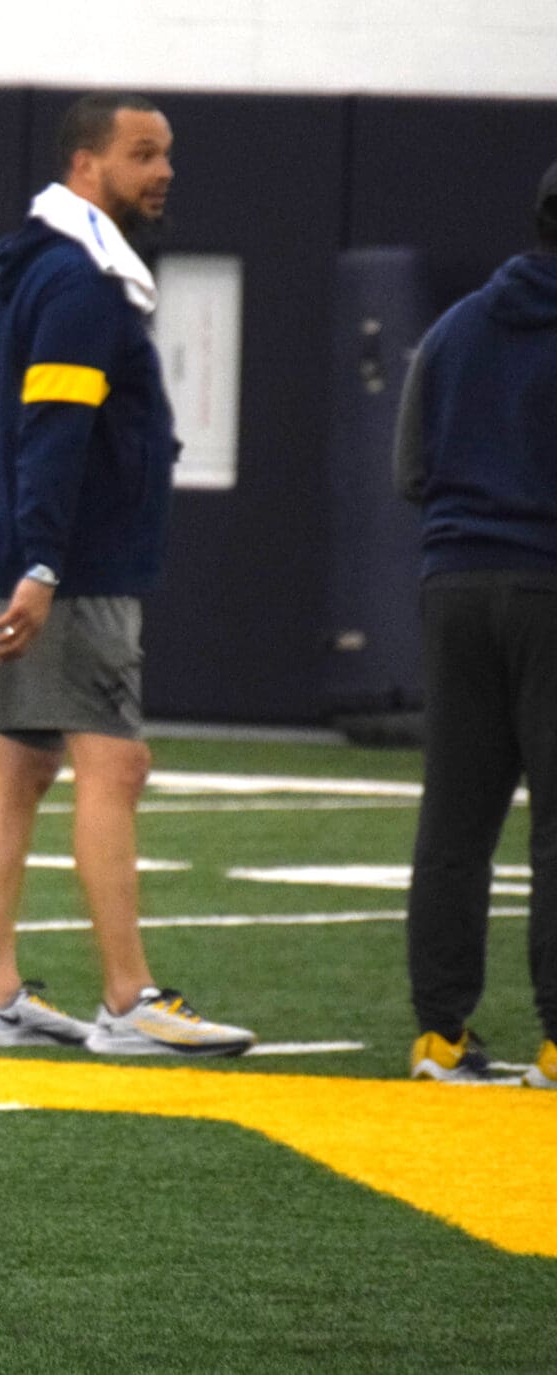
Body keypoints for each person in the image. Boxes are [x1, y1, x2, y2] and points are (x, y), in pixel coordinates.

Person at [0, 92, 255, 1056]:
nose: (162, 171)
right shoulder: (80, 280)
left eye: (166, 154)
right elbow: (56, 427)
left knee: (20, 761)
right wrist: (43, 561)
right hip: (65, 570)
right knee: (113, 761)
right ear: (88, 165)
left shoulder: (43, 267)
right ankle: (129, 1001)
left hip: (24, 554)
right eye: (142, 153)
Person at [395, 158, 557, 1089]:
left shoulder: (457, 326)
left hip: (454, 585)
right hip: (551, 589)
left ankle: (440, 1035)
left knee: (456, 822)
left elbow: (409, 471)